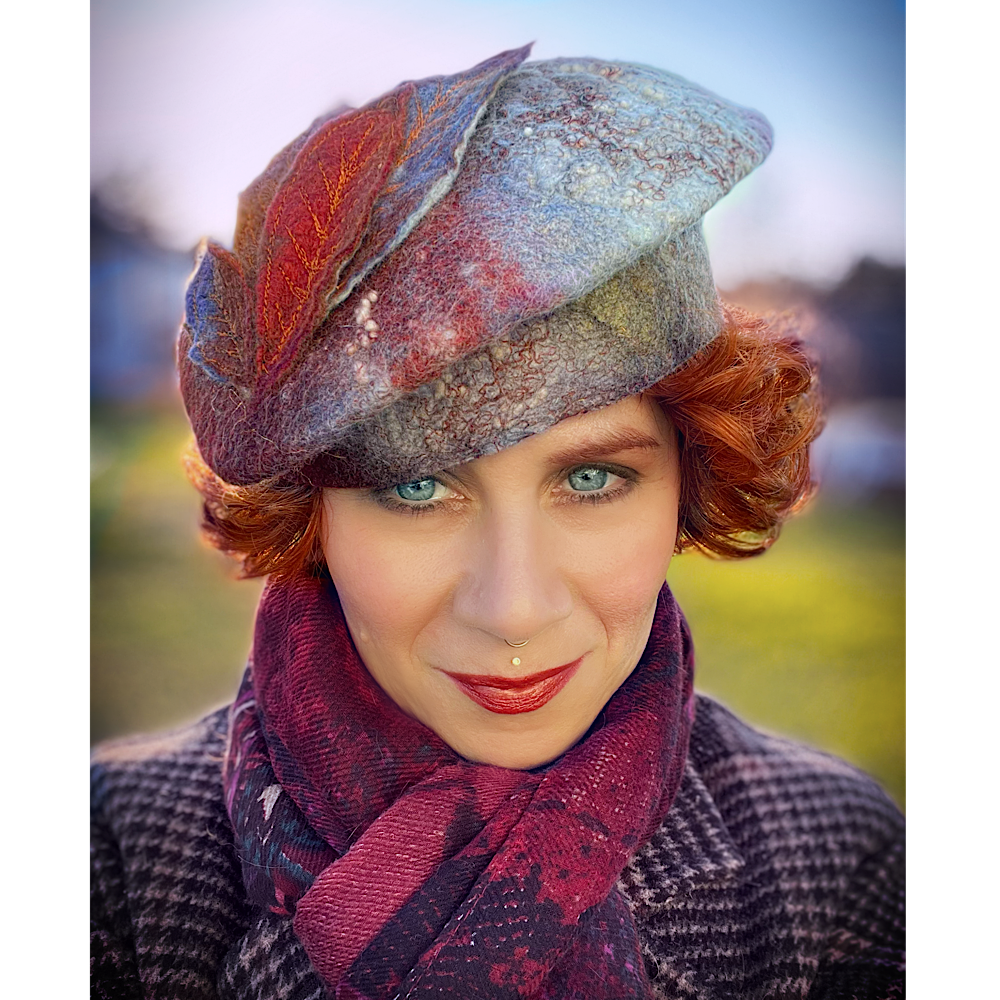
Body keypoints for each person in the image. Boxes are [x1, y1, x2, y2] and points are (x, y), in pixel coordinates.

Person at [89, 46, 905, 999]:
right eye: (418, 490)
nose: (512, 609)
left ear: (688, 479)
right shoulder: (118, 864)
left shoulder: (841, 866)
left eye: (592, 477)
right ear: (311, 512)